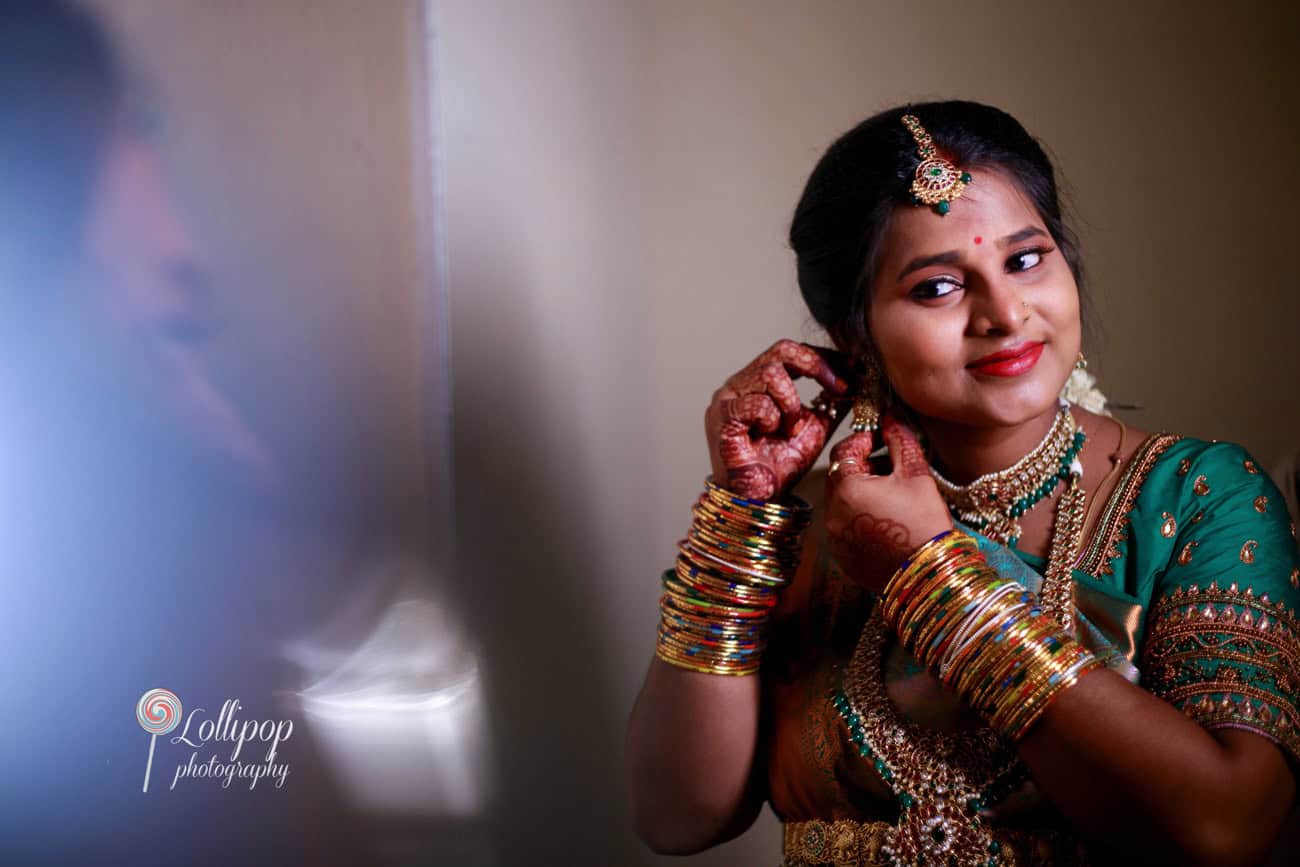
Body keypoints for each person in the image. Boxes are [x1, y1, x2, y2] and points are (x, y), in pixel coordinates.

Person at [626, 101, 1299, 866]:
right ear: (854, 335)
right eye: (938, 287)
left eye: (1024, 260)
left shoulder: (1197, 495)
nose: (1006, 313)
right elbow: (677, 816)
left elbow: (1232, 825)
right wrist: (739, 515)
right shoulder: (802, 524)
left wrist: (932, 578)